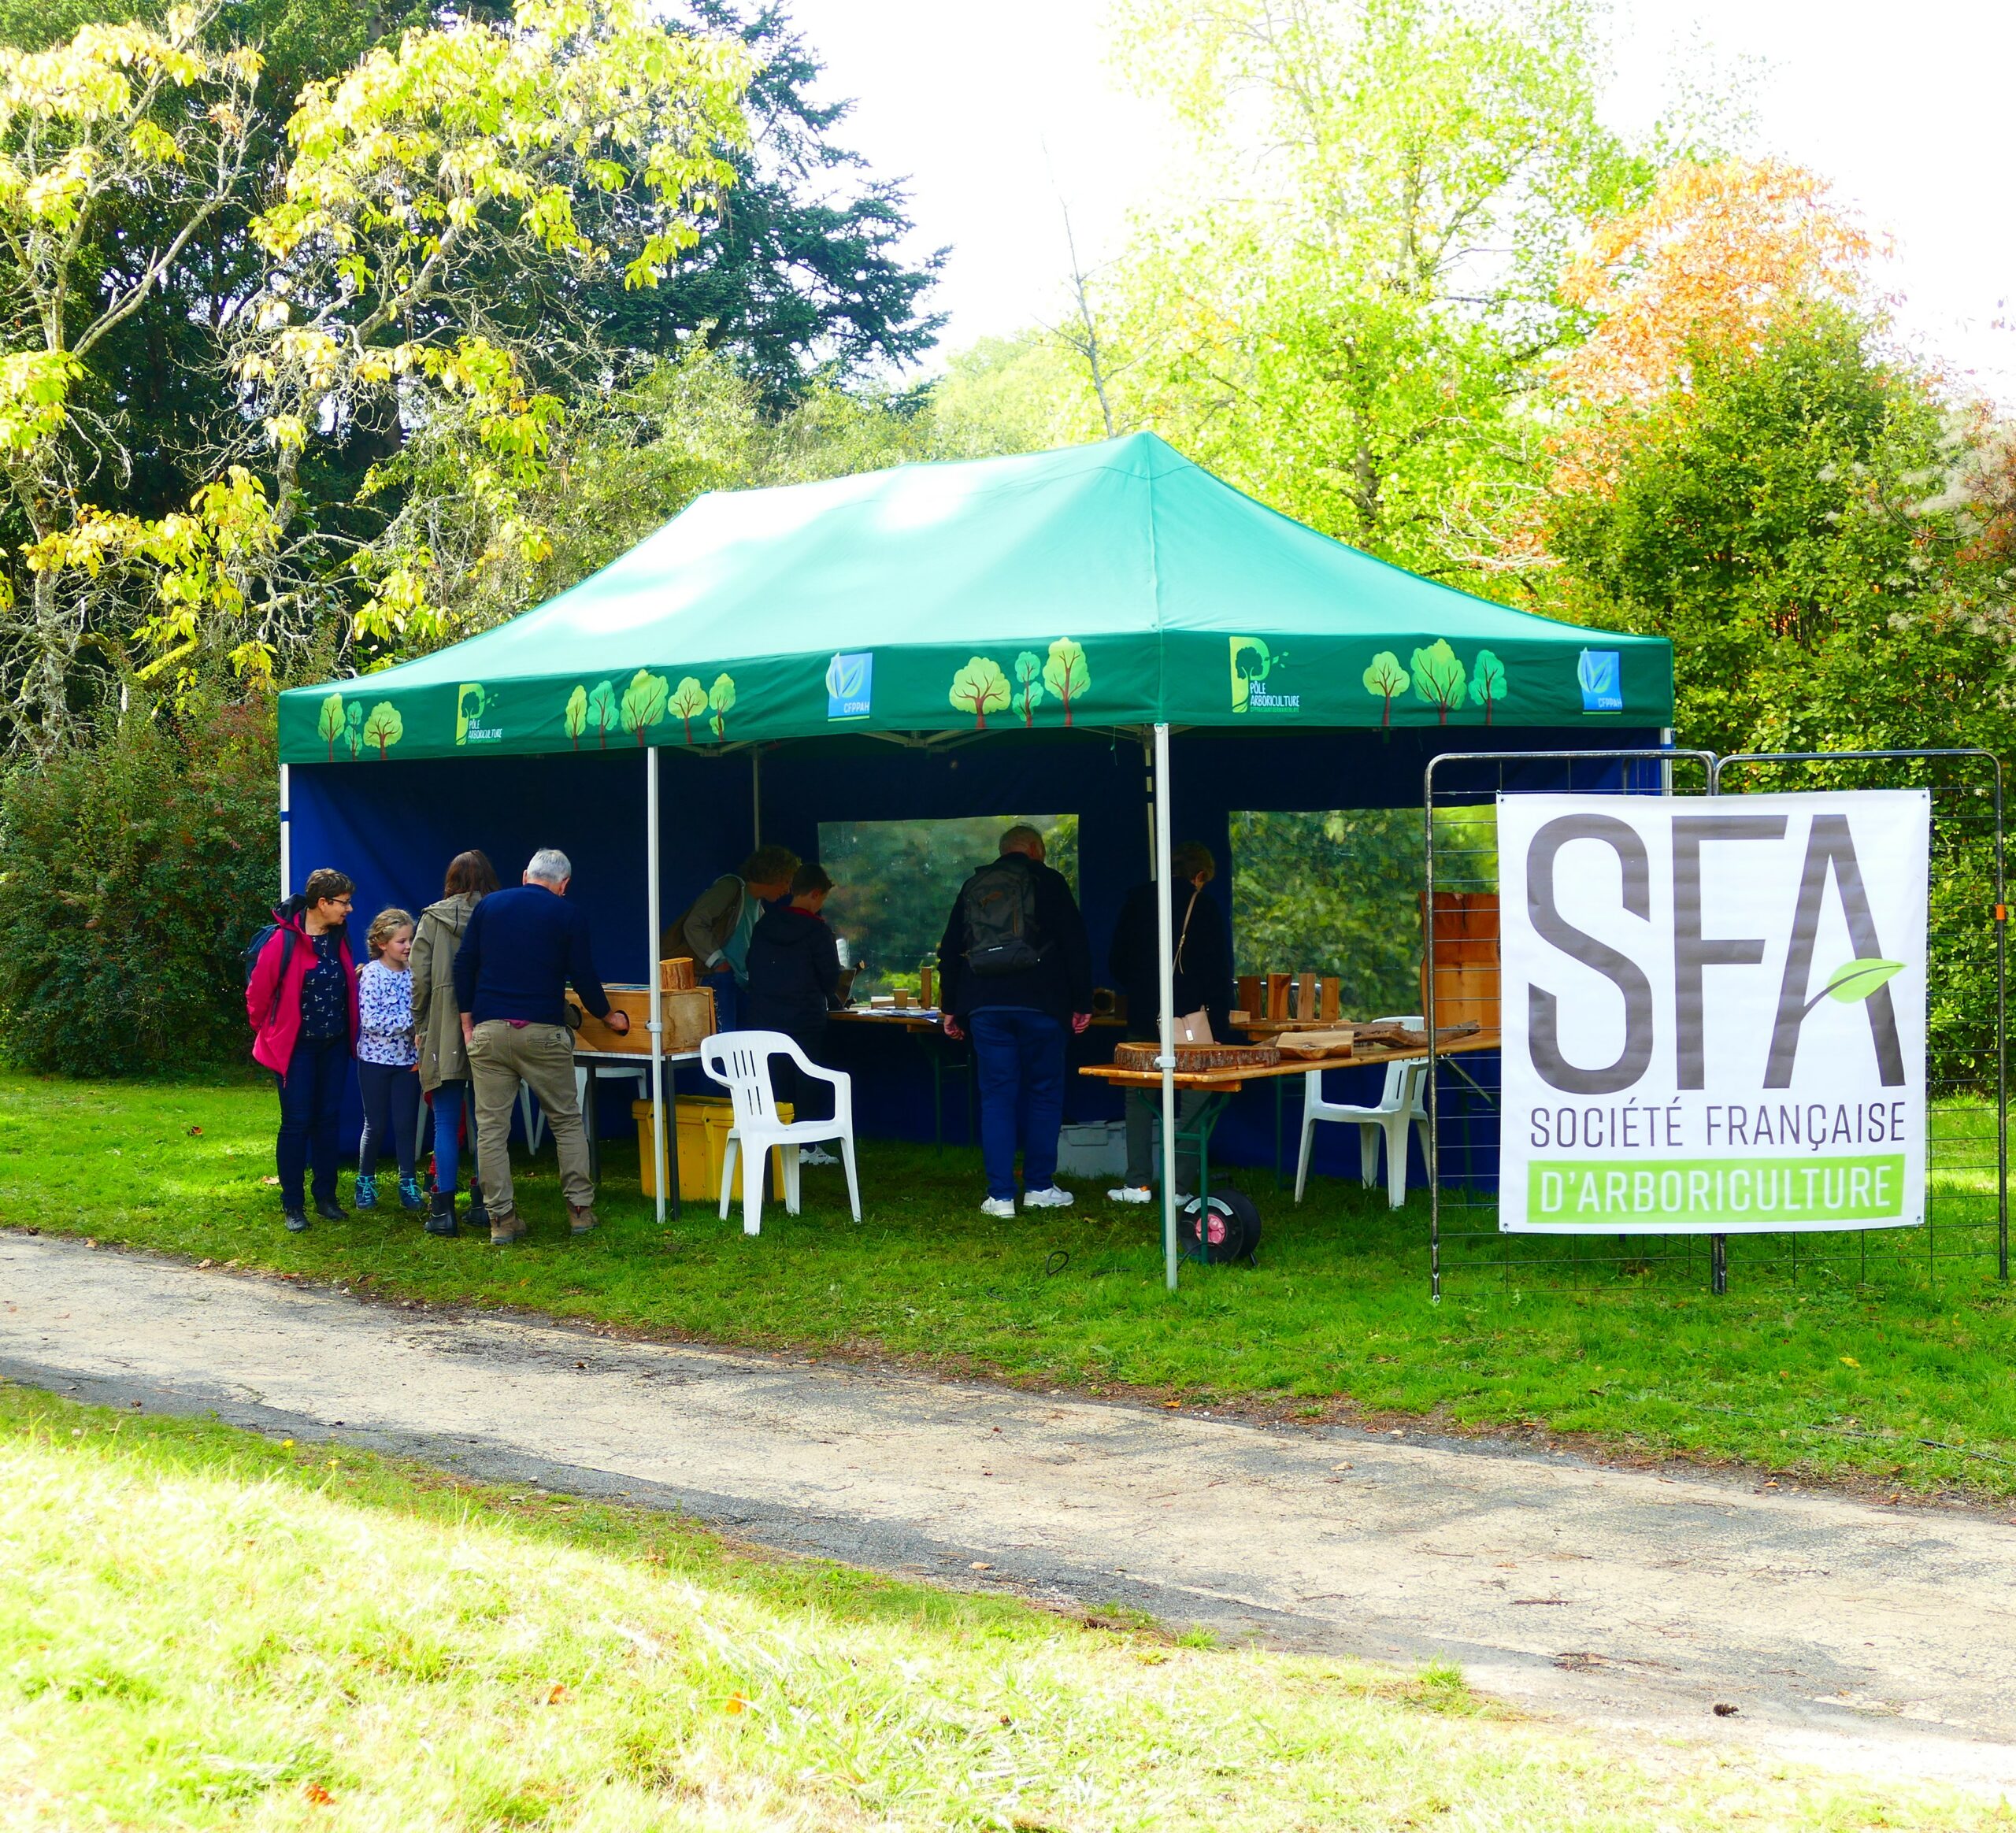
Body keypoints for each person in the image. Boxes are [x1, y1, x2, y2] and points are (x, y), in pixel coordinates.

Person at [454, 847, 628, 1245]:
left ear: (525, 874)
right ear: (563, 885)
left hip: (490, 1030)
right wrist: (608, 1017)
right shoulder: (568, 913)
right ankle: (580, 1212)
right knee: (566, 1121)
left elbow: (464, 965)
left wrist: (468, 1020)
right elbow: (583, 976)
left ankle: (502, 1220)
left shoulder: (489, 906)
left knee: (492, 1130)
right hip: (543, 1031)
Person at [937, 824, 1093, 1217]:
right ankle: (1039, 1186)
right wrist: (1081, 1002)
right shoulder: (1050, 881)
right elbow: (1076, 944)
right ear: (1037, 850)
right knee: (1044, 1094)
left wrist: (951, 1006)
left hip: (985, 1005)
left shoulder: (975, 884)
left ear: (1002, 851)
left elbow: (951, 949)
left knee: (997, 1099)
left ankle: (1001, 1196)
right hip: (1043, 1003)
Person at [1106, 841, 1237, 1204]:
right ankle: (1179, 1188)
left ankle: (1137, 1184)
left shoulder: (1136, 900)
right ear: (1198, 875)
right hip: (1192, 1021)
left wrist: (1144, 986)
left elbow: (1116, 961)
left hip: (1145, 1015)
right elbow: (1218, 973)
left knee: (1138, 1097)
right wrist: (1220, 1029)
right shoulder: (1205, 907)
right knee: (1195, 1098)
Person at [246, 866, 360, 1233]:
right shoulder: (283, 941)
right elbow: (257, 996)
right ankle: (293, 1204)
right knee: (296, 1123)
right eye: (343, 903)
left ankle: (326, 1197)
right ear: (322, 903)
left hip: (333, 1044)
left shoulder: (339, 938)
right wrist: (271, 1032)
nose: (349, 910)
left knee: (328, 1120)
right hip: (296, 1049)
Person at [411, 849, 500, 1238]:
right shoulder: (500, 914)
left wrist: (420, 1024)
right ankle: (485, 1206)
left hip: (443, 1026)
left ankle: (443, 1212)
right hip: (491, 1020)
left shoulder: (432, 918)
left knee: (445, 1121)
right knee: (488, 1121)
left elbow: (419, 980)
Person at [745, 861, 843, 1157]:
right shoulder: (817, 931)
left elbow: (752, 966)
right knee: (808, 1080)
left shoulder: (765, 924)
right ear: (815, 894)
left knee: (775, 1080)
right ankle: (807, 1146)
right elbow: (830, 977)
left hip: (766, 1018)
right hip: (805, 1019)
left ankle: (774, 1143)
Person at [662, 845, 799, 1027]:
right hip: (719, 980)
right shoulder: (731, 887)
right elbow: (694, 923)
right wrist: (719, 963)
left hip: (741, 985)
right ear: (774, 874)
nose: (788, 890)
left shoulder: (759, 909)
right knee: (725, 1041)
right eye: (787, 881)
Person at [354, 907, 424, 1213]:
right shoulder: (372, 974)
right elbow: (370, 1021)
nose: (408, 947)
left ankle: (408, 1181)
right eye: (401, 941)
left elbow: (424, 1010)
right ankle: (365, 1181)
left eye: (410, 940)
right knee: (376, 1123)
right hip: (374, 1062)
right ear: (382, 944)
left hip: (407, 1061)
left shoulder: (414, 973)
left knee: (406, 1123)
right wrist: (410, 1023)